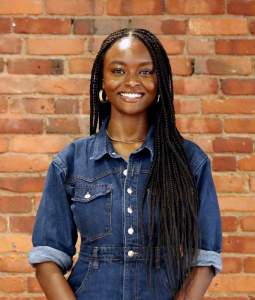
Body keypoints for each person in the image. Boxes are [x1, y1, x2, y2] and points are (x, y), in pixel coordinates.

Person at [28, 28, 222, 300]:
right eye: (118, 71)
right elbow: (47, 257)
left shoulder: (190, 162)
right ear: (102, 82)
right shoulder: (70, 162)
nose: (131, 82)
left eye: (145, 72)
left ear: (160, 82)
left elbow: (205, 259)